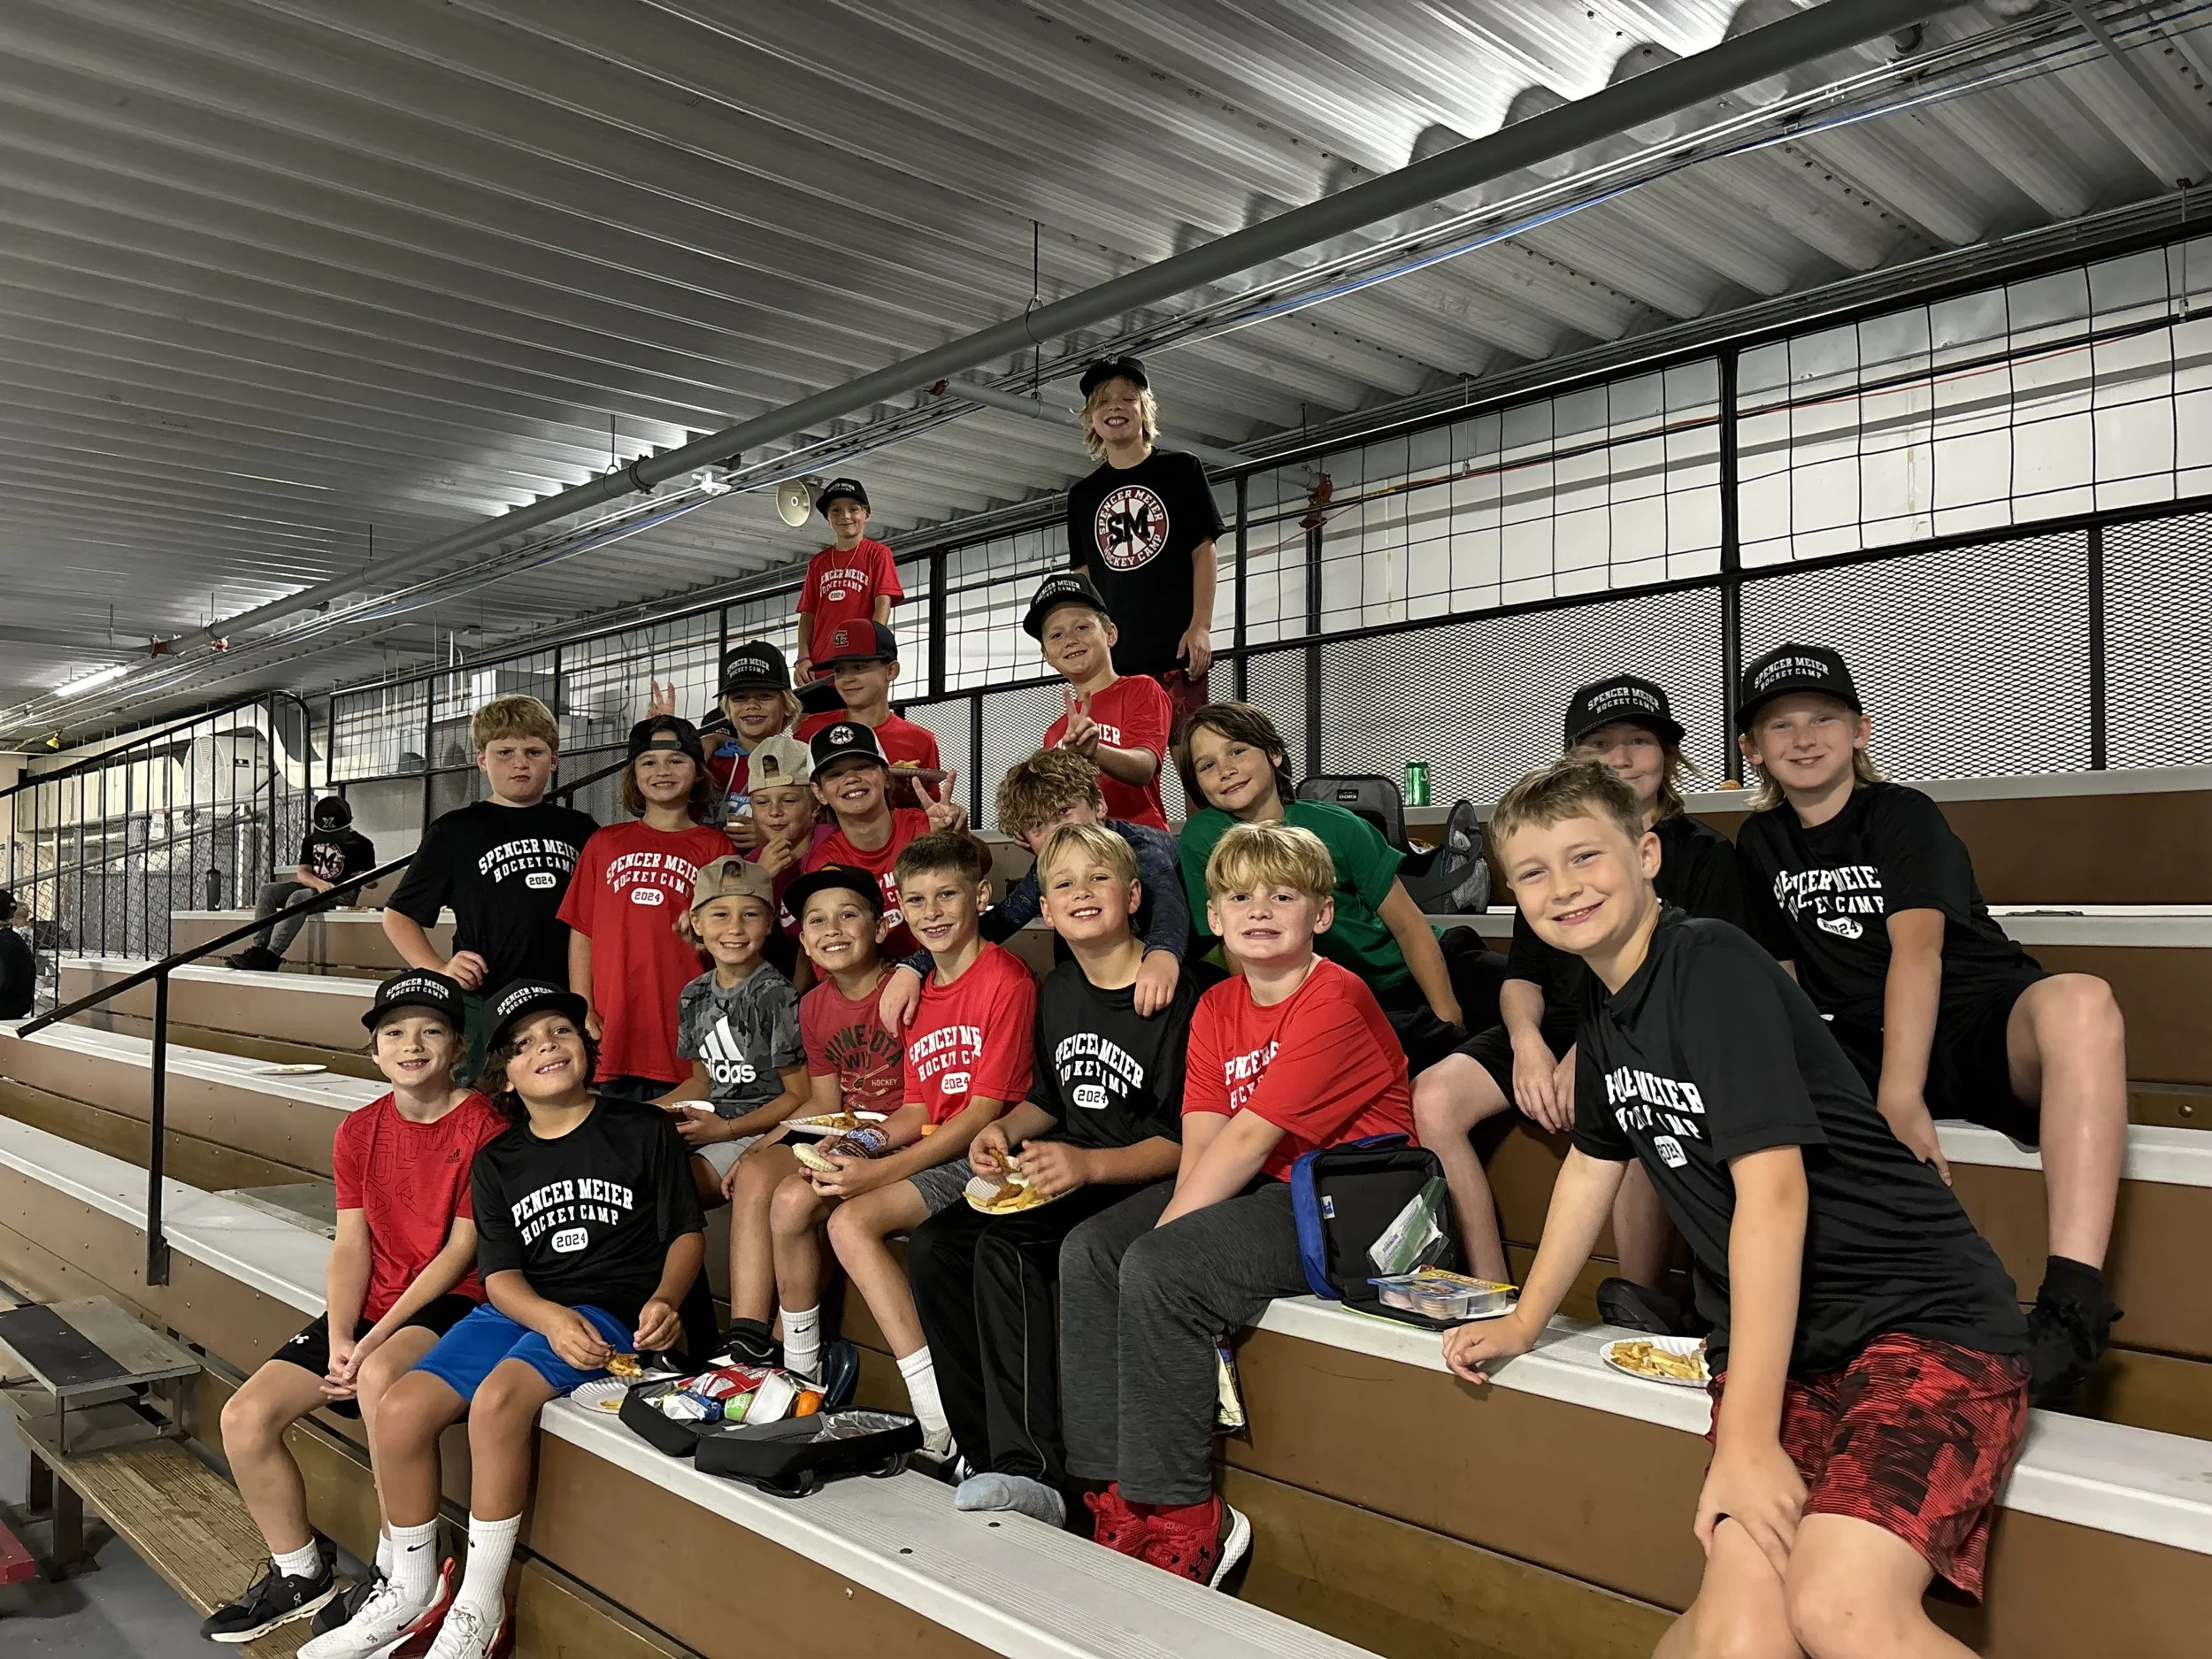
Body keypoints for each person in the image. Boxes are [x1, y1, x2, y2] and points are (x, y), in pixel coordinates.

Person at [1446, 757, 2031, 1659]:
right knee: (1742, 1633)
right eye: (1532, 873)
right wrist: (1525, 1319)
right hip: (1789, 1348)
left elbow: (1774, 1194)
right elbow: (1589, 1172)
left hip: (1923, 1326)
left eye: (1584, 857)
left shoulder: (1712, 965)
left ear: (1646, 855)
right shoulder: (1603, 1012)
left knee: (1836, 1609)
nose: (1562, 888)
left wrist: (1748, 1438)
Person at [1732, 644, 2126, 1407]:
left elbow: (1919, 950)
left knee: (2084, 1000)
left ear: (1862, 731)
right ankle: (1781, 1310)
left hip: (1977, 1018)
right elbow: (1779, 981)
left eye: (1824, 718)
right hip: (1864, 1035)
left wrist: (1900, 1093)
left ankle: (2072, 1307)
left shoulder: (1902, 813)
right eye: (1780, 725)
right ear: (1751, 748)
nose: (1804, 737)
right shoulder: (1759, 844)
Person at [300, 982, 704, 1659]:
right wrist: (542, 1316)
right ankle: (412, 1586)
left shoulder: (643, 1128)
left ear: (587, 1044)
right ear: (505, 1075)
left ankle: (480, 1605)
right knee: (397, 1409)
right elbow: (500, 1277)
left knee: (496, 1402)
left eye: (559, 1031)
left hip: (608, 1311)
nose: (545, 1046)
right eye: (522, 1044)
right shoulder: (498, 1160)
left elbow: (686, 1233)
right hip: (520, 1307)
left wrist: (666, 1296)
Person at [1062, 821, 1415, 1588]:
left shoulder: (1337, 997)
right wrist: (1165, 1222)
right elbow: (1205, 1137)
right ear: (1213, 917)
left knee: (1160, 1263)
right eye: (1239, 895)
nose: (1260, 908)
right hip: (1260, 1185)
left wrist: (1165, 1235)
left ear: (1319, 914)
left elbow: (1251, 1141)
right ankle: (1115, 1489)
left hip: (1348, 1201)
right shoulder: (1219, 1003)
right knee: (1090, 1249)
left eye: (1282, 895)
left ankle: (1190, 1514)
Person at [1415, 675, 1743, 1310]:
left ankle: (1641, 1301)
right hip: (1559, 1030)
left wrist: (1586, 1056)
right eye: (1599, 746)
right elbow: (1522, 976)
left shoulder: (1706, 856)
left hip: (1649, 1036)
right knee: (1433, 1097)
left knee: (1645, 1119)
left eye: (1638, 741)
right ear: (1572, 760)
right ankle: (1489, 1287)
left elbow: (1688, 994)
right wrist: (1529, 1044)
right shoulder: (1555, 853)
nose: (1620, 758)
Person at [201, 972, 504, 1646]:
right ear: (374, 1051)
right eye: (393, 1031)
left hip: (451, 1301)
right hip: (372, 1306)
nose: (411, 1043)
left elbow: (459, 1255)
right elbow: (351, 1244)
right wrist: (341, 1335)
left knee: (377, 1378)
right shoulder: (360, 1128)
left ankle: (396, 1569)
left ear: (458, 1045)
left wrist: (369, 1344)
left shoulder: (485, 1125)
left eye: (430, 1029)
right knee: (244, 1417)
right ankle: (301, 1572)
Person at [907, 822, 1193, 1526]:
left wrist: (1089, 1163)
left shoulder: (1183, 994)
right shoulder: (1059, 989)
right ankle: (980, 1450)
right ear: (1046, 907)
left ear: (1133, 895)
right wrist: (1003, 1130)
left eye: (1097, 879)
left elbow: (1188, 1142)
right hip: (1070, 1165)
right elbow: (1049, 1098)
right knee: (936, 1244)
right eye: (1062, 883)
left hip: (1142, 1178)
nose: (1080, 893)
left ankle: (1034, 1471)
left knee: (1007, 1248)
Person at [783, 830, 1035, 1456]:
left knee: (850, 1223)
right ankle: (800, 1375)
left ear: (980, 896)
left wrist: (874, 1178)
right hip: (936, 1140)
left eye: (947, 895)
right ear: (902, 908)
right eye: (918, 901)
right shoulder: (918, 993)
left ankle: (936, 1417)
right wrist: (864, 1146)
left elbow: (980, 1115)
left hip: (989, 1153)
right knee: (811, 1197)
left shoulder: (1007, 979)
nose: (933, 913)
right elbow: (918, 1109)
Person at [1178, 701, 1497, 1076]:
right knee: (1380, 1048)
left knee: (1528, 991)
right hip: (1346, 995)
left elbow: (1409, 926)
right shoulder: (1203, 838)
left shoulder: (1340, 825)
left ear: (1274, 754)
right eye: (1207, 765)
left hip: (1425, 961)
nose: (1225, 770)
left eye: (1237, 750)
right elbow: (1237, 947)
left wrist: (1450, 1020)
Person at [720, 864, 903, 1389]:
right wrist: (762, 1144)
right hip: (840, 1125)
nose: (833, 930)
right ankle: (747, 1344)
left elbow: (919, 1102)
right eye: (817, 921)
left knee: (793, 1197)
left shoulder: (903, 988)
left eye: (848, 915)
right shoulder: (815, 1005)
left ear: (881, 924)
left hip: (896, 1132)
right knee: (756, 1171)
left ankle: (793, 1349)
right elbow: (825, 1100)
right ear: (803, 938)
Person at [878, 748, 1188, 1030]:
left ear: (1099, 804)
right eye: (1038, 825)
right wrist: (913, 966)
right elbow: (999, 922)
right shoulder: (1047, 866)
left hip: (1177, 953)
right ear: (1024, 840)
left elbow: (1168, 907)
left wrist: (1162, 955)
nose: (1057, 831)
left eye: (1065, 811)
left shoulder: (1141, 849)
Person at [382, 695, 597, 1086]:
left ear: (555, 759)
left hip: (562, 1001)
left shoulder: (582, 829)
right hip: (486, 1002)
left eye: (534, 751)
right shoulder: (455, 831)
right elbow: (399, 916)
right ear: (481, 760)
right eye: (505, 752)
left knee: (563, 1105)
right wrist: (440, 968)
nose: (520, 762)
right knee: (484, 1107)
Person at [557, 718, 733, 1103]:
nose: (662, 772)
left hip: (683, 1031)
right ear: (633, 774)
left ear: (697, 772)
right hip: (613, 1029)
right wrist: (582, 1004)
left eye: (676, 761)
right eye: (648, 762)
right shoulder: (604, 843)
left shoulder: (714, 847)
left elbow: (733, 941)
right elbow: (582, 931)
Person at [1065, 356, 1221, 733]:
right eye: (1103, 401)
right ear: (1091, 418)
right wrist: (1086, 648)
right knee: (1113, 764)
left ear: (1144, 410)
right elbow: (1082, 577)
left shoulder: (1182, 470)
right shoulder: (1082, 496)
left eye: (1127, 398)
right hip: (1113, 661)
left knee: (1194, 757)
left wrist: (1201, 626)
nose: (1115, 406)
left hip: (1176, 651)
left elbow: (1203, 549)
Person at [657, 856, 808, 1205]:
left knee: (676, 1186)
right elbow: (701, 1082)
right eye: (720, 914)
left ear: (770, 922)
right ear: (696, 922)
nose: (735, 928)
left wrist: (725, 1130)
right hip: (709, 1124)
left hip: (759, 1129)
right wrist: (644, 1113)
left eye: (750, 914)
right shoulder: (693, 994)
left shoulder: (776, 995)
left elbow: (798, 1096)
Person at [1024, 570, 1173, 831]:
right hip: (1080, 843)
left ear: (1110, 634)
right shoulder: (1055, 732)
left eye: (1082, 627)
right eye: (1056, 635)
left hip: (1139, 836)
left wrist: (1096, 751)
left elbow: (1144, 767)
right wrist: (1030, 827)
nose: (1070, 640)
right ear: (1046, 653)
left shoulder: (1141, 689)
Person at [803, 720, 966, 956]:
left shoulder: (924, 825)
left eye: (863, 767)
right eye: (835, 774)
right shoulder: (825, 863)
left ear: (886, 777)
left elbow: (981, 865)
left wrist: (958, 837)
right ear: (819, 792)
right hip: (877, 983)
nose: (851, 778)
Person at [652, 641, 802, 848]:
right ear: (727, 708)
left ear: (787, 704)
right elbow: (649, 804)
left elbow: (815, 828)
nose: (751, 705)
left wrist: (770, 838)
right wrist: (660, 743)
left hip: (764, 874)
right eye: (740, 698)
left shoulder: (800, 761)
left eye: (764, 696)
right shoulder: (705, 758)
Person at [229, 796, 376, 972]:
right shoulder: (310, 840)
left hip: (341, 893)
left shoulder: (362, 844)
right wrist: (319, 884)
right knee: (267, 890)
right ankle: (259, 949)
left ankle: (272, 956)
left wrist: (364, 877)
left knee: (300, 897)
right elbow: (303, 873)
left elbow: (373, 882)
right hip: (315, 887)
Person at [792, 621, 941, 775]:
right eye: (839, 670)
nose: (846, 679)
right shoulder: (812, 731)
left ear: (891, 670)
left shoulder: (920, 741)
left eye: (858, 667)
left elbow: (931, 798)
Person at [794, 478, 902, 683]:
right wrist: (803, 657)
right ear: (827, 518)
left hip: (858, 663)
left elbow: (883, 602)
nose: (845, 516)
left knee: (857, 713)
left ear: (866, 514)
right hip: (821, 666)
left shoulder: (878, 554)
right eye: (836, 511)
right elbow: (808, 613)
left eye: (853, 509)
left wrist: (871, 649)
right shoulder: (818, 562)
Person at [0, 887, 33, 1020]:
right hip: (16, 1005)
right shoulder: (12, 939)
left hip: (7, 1006)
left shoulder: (5, 942)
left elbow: (3, 982)